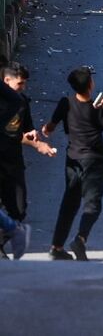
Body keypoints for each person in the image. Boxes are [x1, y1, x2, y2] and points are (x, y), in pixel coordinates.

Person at [43, 66, 103, 261]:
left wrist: (46, 130)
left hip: (72, 160)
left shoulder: (65, 103)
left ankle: (56, 247)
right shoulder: (98, 110)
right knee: (92, 205)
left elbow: (49, 126)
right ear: (91, 85)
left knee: (69, 204)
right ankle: (81, 238)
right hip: (95, 162)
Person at [0, 63, 55, 258]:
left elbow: (23, 133)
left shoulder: (21, 102)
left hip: (13, 162)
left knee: (19, 209)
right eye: (20, 83)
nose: (23, 87)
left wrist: (36, 141)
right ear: (6, 80)